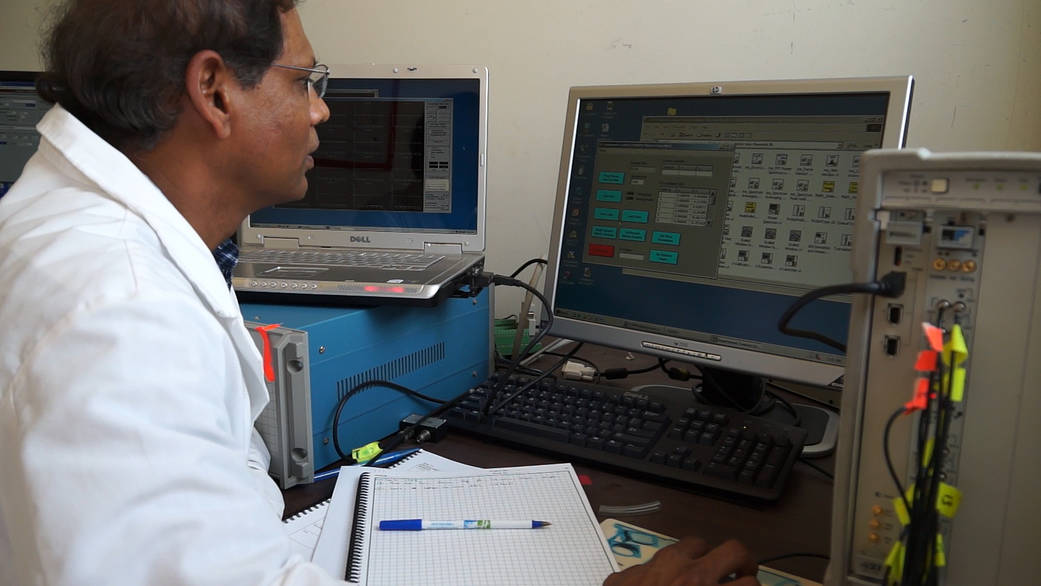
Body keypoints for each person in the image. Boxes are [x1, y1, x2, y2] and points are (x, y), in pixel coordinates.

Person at [0, 1, 759, 584]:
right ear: (214, 91)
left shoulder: (66, 230)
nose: (322, 108)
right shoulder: (123, 314)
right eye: (303, 82)